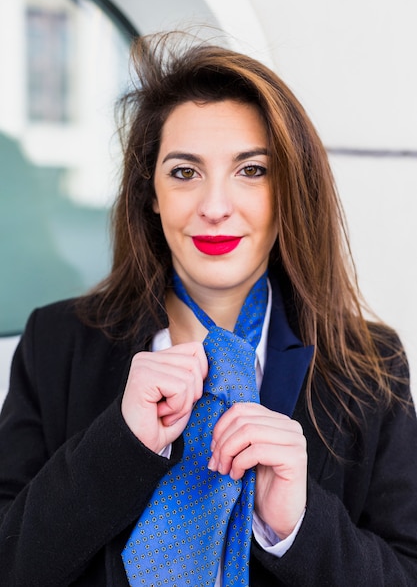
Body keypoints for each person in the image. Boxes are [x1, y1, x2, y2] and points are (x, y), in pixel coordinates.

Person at [1, 31, 416, 587]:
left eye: (251, 170)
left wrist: (295, 523)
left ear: (289, 189)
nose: (215, 207)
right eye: (184, 172)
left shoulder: (368, 362)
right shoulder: (57, 341)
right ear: (150, 192)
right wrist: (118, 445)